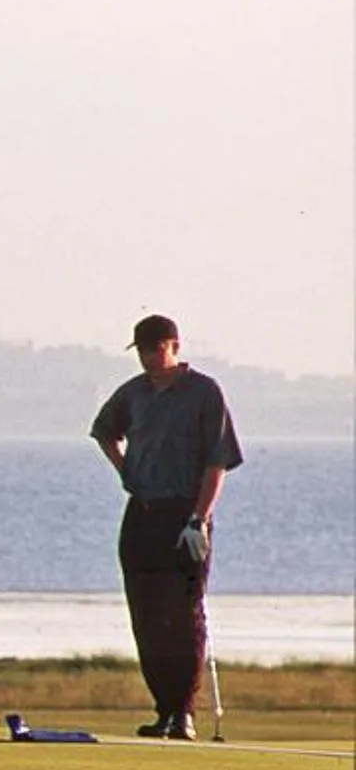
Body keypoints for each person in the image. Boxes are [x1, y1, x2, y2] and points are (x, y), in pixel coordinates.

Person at [90, 313, 242, 739]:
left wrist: (201, 518)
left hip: (186, 515)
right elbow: (104, 432)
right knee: (146, 615)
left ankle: (183, 711)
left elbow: (217, 461)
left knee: (184, 614)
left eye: (154, 349)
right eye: (141, 350)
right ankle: (163, 709)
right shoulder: (134, 394)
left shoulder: (203, 393)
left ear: (172, 345)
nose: (147, 358)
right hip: (143, 512)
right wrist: (126, 471)